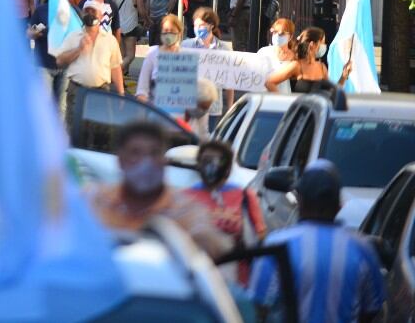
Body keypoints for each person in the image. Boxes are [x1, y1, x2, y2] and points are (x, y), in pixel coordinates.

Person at [249, 160, 386, 322]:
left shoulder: (276, 244)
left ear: (300, 201)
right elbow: (372, 309)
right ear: (339, 206)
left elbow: (257, 306)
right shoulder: (362, 248)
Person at [89, 122, 231, 258]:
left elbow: (210, 244)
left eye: (154, 153)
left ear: (164, 161)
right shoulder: (95, 200)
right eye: (135, 153)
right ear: (120, 160)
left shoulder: (185, 210)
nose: (145, 162)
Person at [183, 140, 266, 286]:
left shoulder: (244, 196)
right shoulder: (185, 198)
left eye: (216, 161)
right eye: (205, 161)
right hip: (196, 279)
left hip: (237, 281)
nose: (210, 166)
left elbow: (259, 235)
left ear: (227, 169)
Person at [56, 2, 124, 121]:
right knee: (75, 128)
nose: (90, 14)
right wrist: (78, 49)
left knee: (100, 129)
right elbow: (60, 61)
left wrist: (121, 93)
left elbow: (115, 68)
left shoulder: (110, 40)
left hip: (101, 92)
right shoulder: (73, 36)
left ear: (101, 16)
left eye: (93, 11)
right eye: (87, 11)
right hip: (77, 91)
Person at [265, 27, 352, 93]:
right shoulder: (296, 65)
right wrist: (284, 103)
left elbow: (332, 92)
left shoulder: (322, 67)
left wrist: (343, 76)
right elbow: (270, 82)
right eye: (322, 42)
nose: (324, 46)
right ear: (312, 44)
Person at [182, 7, 234, 115]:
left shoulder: (224, 49)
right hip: (188, 105)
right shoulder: (186, 46)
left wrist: (230, 108)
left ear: (211, 25)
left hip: (213, 108)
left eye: (201, 25)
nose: (198, 29)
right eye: (196, 26)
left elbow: (230, 81)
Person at [135, 13, 184, 106]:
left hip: (178, 114)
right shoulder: (152, 53)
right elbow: (142, 89)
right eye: (165, 31)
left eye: (172, 31)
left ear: (179, 33)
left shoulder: (186, 57)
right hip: (156, 112)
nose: (168, 34)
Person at [112, 0, 147, 76]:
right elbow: (141, 11)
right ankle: (114, 72)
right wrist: (147, 20)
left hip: (117, 26)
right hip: (130, 26)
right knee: (130, 55)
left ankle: (123, 74)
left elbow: (112, 7)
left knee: (122, 55)